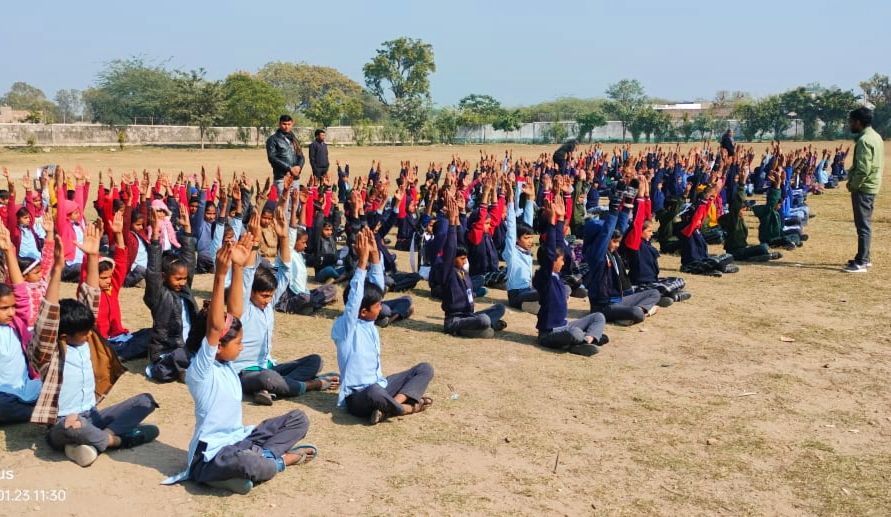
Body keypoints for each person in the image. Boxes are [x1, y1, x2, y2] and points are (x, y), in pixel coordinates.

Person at [162, 236, 316, 495]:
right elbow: (215, 328)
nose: (242, 348)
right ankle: (276, 461)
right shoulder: (202, 370)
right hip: (211, 456)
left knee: (298, 419)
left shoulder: (227, 365)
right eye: (238, 343)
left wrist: (239, 267)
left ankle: (257, 462)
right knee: (248, 462)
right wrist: (220, 275)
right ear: (218, 346)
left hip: (240, 440)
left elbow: (234, 311)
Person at [30, 223, 159, 467]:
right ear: (64, 335)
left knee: (145, 401)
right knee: (72, 425)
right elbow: (47, 317)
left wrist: (92, 257)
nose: (91, 335)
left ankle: (88, 444)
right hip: (62, 423)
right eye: (84, 333)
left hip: (93, 415)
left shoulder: (88, 341)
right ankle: (116, 440)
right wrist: (57, 269)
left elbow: (90, 296)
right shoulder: (50, 352)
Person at [332, 226, 433, 425]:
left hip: (380, 385)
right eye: (377, 306)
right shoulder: (346, 327)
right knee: (374, 392)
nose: (381, 308)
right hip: (359, 396)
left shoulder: (369, 323)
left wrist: (374, 255)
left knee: (424, 369)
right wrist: (362, 262)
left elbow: (377, 287)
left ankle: (388, 408)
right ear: (362, 311)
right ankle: (407, 408)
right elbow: (354, 300)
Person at [534, 197, 607, 356]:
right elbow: (551, 251)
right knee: (575, 333)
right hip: (549, 333)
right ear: (551, 261)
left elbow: (560, 246)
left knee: (598, 317)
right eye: (560, 260)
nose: (562, 263)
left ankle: (585, 340)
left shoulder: (557, 276)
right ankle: (586, 339)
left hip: (564, 326)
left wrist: (560, 219)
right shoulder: (544, 278)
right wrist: (551, 222)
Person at [0, 222, 41, 424]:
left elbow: (20, 291)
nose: (11, 312)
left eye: (12, 307)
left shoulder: (17, 322)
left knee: (61, 382)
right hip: (3, 395)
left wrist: (9, 251)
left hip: (27, 387)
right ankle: (39, 413)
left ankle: (40, 409)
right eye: (4, 308)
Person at [843, 107, 884, 273]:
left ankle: (861, 262)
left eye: (851, 121)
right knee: (864, 224)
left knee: (863, 225)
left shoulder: (864, 141)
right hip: (872, 185)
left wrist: (853, 184)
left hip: (864, 187)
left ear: (858, 122)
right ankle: (864, 257)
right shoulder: (876, 136)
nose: (850, 124)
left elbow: (863, 169)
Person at [266, 115, 305, 195]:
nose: (286, 127)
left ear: (292, 124)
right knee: (283, 201)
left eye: (289, 124)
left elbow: (301, 155)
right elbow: (272, 158)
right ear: (279, 124)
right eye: (284, 124)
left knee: (295, 201)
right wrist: (289, 168)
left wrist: (299, 167)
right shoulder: (273, 139)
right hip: (282, 178)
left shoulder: (294, 138)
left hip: (295, 177)